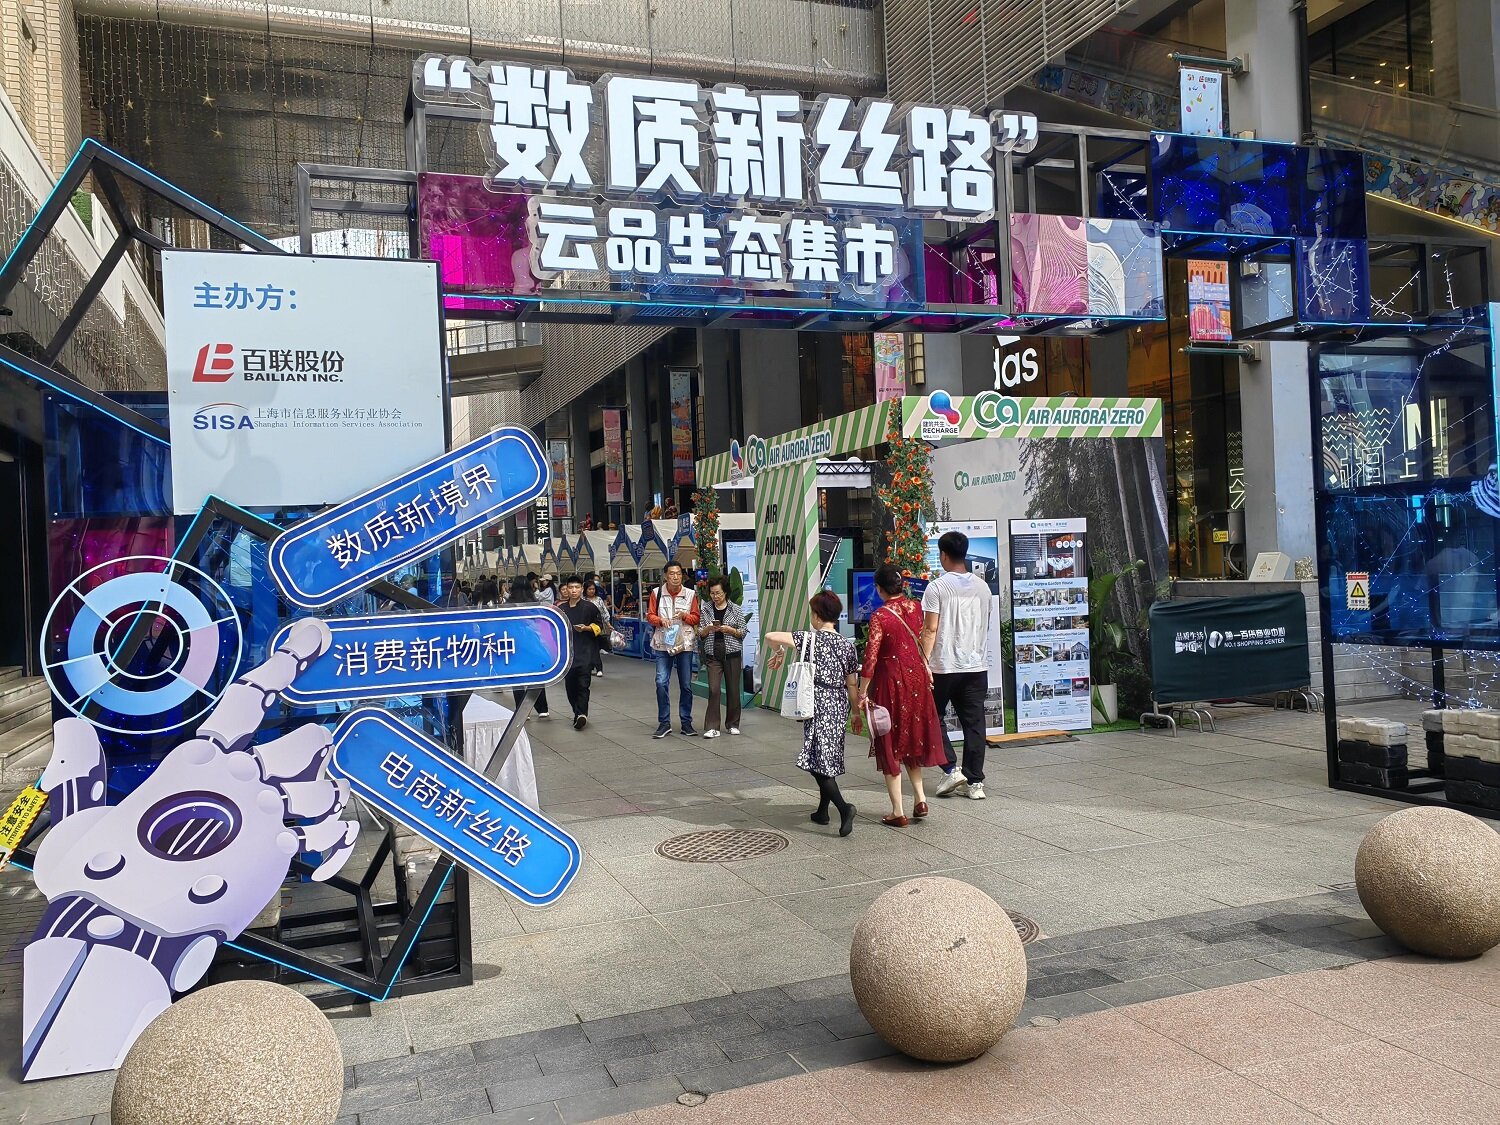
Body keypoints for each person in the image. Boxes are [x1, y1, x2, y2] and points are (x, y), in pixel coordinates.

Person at [857, 565, 947, 826]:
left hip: (890, 681)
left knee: (890, 741)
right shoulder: (915, 607)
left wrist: (862, 691)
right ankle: (920, 798)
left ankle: (898, 810)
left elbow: (871, 657)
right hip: (916, 678)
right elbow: (922, 637)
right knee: (912, 736)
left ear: (879, 589)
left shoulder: (880, 616)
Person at [766, 591, 861, 836]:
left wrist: (779, 652)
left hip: (817, 702)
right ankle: (822, 811)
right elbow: (852, 683)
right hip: (838, 703)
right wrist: (855, 713)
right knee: (825, 756)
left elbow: (770, 636)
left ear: (817, 616)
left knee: (816, 761)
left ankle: (844, 808)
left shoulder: (808, 638)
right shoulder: (847, 645)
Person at [921, 529, 993, 800]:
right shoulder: (983, 587)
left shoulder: (937, 587)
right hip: (976, 665)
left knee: (931, 716)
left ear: (943, 555)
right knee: (974, 724)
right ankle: (975, 783)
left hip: (944, 665)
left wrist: (923, 661)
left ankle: (951, 769)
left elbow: (930, 629)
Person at [647, 561, 700, 738]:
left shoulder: (690, 594)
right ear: (665, 576)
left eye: (678, 573)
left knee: (686, 684)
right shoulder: (656, 593)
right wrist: (661, 621)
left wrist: (685, 616)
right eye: (672, 573)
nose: (675, 577)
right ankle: (664, 723)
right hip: (663, 643)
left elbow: (696, 618)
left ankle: (686, 722)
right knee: (661, 682)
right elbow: (650, 615)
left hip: (684, 643)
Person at [697, 576, 748, 739]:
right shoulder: (706, 608)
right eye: (712, 593)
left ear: (725, 592)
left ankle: (733, 724)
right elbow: (700, 633)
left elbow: (743, 631)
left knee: (733, 690)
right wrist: (708, 629)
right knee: (714, 689)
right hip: (712, 653)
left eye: (718, 593)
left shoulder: (735, 609)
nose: (715, 596)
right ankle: (712, 727)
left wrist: (730, 630)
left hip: (732, 653)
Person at [557, 575, 605, 729]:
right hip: (568, 656)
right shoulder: (561, 609)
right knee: (570, 687)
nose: (573, 590)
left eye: (577, 587)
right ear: (566, 589)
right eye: (571, 587)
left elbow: (599, 626)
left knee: (583, 685)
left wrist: (587, 628)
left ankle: (582, 714)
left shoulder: (590, 607)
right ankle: (577, 713)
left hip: (586, 653)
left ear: (581, 589)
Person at [507, 574, 549, 718]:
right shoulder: (534, 603)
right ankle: (542, 708)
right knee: (537, 675)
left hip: (515, 644)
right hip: (533, 643)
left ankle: (521, 710)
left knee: (517, 678)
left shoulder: (509, 604)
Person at [584, 578, 612, 676]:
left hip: (597, 626)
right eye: (589, 589)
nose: (592, 591)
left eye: (593, 589)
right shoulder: (583, 600)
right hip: (585, 626)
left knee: (595, 647)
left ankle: (599, 668)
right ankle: (590, 667)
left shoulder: (599, 599)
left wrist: (608, 624)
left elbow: (604, 612)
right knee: (588, 648)